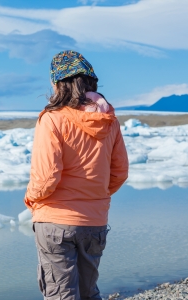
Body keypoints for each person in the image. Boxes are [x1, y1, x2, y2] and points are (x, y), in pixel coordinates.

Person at [24, 50, 129, 300]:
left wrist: (32, 199)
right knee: (88, 293)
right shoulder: (109, 121)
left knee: (61, 294)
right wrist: (95, 196)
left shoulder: (52, 119)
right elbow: (119, 172)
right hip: (94, 222)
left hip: (55, 220)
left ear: (57, 83)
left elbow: (47, 176)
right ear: (91, 81)